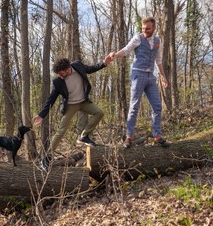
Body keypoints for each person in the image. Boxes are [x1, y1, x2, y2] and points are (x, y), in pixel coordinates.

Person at [33, 55, 114, 171]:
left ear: (67, 69)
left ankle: (84, 136)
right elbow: (51, 99)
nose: (60, 76)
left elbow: (91, 69)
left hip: (83, 102)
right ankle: (46, 158)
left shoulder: (78, 66)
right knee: (61, 131)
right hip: (71, 105)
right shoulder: (58, 82)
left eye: (61, 73)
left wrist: (104, 63)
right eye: (58, 74)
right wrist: (41, 115)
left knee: (99, 112)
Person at [110, 16, 170, 148]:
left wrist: (163, 77)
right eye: (143, 28)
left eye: (148, 28)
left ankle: (157, 136)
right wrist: (115, 55)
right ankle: (129, 137)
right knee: (134, 106)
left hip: (150, 76)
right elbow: (126, 49)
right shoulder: (138, 38)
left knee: (157, 106)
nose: (145, 31)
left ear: (154, 28)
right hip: (138, 74)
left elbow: (158, 60)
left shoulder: (157, 41)